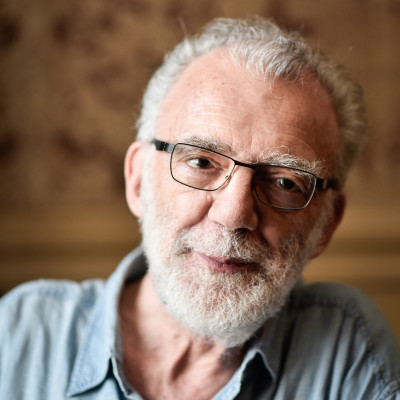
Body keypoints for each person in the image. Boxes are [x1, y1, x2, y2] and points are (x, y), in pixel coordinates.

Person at [1, 17, 399, 400]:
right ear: (138, 180)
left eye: (284, 182)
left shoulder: (349, 352)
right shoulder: (18, 336)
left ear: (326, 224)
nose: (233, 215)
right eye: (201, 161)